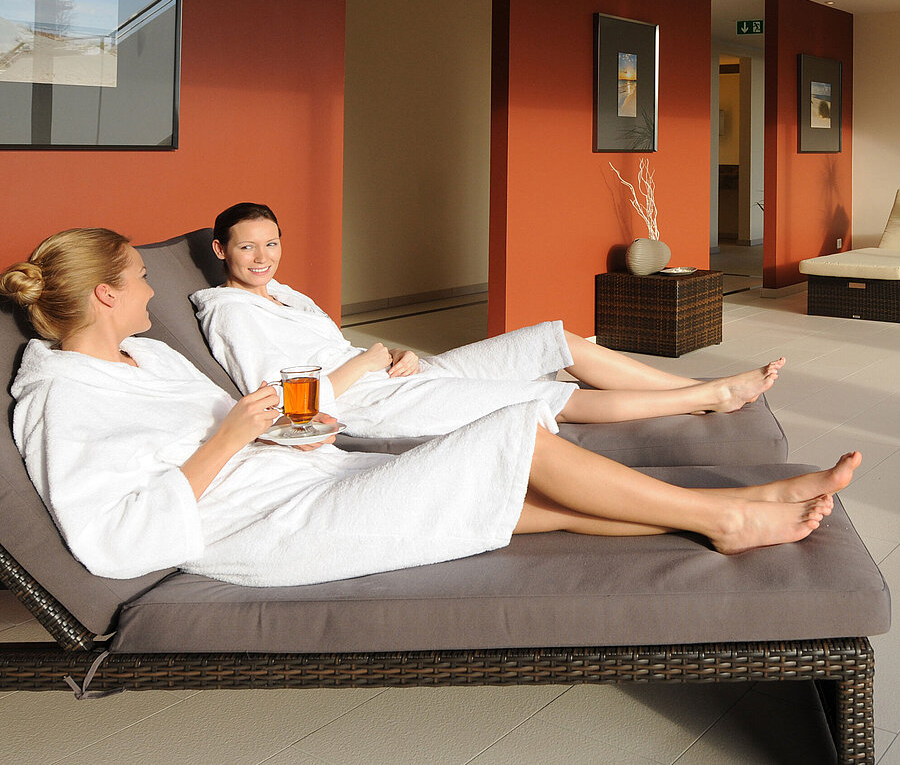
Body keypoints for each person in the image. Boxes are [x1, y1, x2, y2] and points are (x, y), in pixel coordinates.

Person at [1, 228, 857, 588]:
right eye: (139, 277)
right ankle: (727, 515)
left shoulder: (146, 356)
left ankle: (741, 506)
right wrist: (232, 438)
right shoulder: (58, 400)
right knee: (514, 437)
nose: (152, 288)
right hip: (269, 532)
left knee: (542, 508)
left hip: (302, 475)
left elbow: (249, 426)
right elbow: (115, 540)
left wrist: (293, 434)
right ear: (106, 296)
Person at [191, 202, 787, 439]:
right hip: (376, 406)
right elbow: (288, 406)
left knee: (555, 341)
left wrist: (391, 354)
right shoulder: (230, 314)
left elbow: (337, 351)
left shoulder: (285, 296)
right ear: (221, 251)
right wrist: (369, 359)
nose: (263, 258)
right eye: (247, 247)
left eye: (271, 243)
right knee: (540, 397)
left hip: (398, 376)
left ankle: (693, 389)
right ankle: (708, 397)